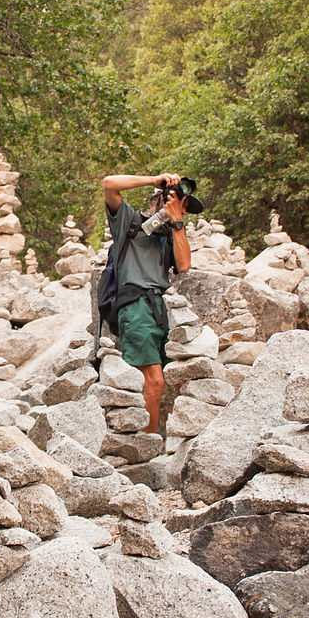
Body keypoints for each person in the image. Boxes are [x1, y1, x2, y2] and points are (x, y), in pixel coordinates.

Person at [101, 172, 199, 434]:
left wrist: (176, 222)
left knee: (177, 376)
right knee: (154, 381)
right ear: (160, 199)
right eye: (176, 201)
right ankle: (148, 447)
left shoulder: (171, 236)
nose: (180, 208)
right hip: (135, 306)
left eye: (184, 206)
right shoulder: (130, 222)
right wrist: (153, 179)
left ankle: (170, 440)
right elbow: (109, 184)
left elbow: (184, 264)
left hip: (161, 308)